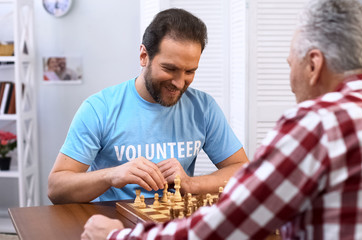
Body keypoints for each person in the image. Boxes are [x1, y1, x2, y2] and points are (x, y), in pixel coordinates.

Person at [81, 0, 362, 239]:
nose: (291, 80)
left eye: (291, 64)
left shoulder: (313, 127)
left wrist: (120, 237)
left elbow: (223, 229)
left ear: (313, 65)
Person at [48, 8, 249, 204]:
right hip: (116, 227)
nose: (179, 83)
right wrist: (111, 175)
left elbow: (243, 170)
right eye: (170, 68)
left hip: (173, 226)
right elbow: (56, 189)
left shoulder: (203, 107)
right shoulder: (99, 108)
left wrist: (191, 184)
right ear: (144, 56)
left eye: (190, 71)